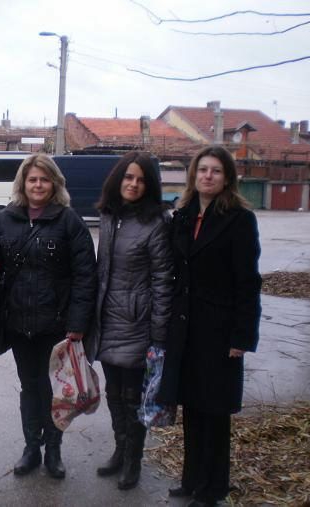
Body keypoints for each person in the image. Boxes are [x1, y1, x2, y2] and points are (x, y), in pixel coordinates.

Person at [159, 146, 262, 507]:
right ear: (193, 175)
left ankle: (213, 488)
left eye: (216, 171)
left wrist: (242, 336)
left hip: (219, 331)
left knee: (214, 412)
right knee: (191, 407)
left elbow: (248, 282)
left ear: (227, 178)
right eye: (202, 169)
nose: (208, 176)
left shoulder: (239, 220)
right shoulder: (183, 215)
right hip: (186, 328)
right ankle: (191, 480)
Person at [0, 153, 97, 479]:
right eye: (32, 179)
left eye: (44, 179)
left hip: (56, 324)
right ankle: (31, 448)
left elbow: (85, 276)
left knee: (53, 390)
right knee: (29, 386)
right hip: (18, 322)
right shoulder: (6, 220)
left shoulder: (69, 221)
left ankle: (54, 450)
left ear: (55, 184)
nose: (38, 185)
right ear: (23, 183)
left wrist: (77, 324)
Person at [88, 151, 173, 490]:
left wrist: (159, 332)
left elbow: (163, 281)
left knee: (132, 396)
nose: (134, 184)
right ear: (118, 179)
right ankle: (119, 450)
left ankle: (133, 459)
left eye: (141, 179)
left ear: (150, 185)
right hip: (107, 318)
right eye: (128, 177)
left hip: (138, 322)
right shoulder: (110, 215)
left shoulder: (157, 222)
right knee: (113, 392)